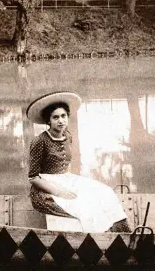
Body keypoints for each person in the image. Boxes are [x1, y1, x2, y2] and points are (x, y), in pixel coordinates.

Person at [27, 92, 131, 233]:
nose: (60, 121)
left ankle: (121, 235)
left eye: (63, 116)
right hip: (45, 188)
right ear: (48, 120)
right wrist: (60, 192)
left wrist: (74, 186)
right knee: (82, 205)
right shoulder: (39, 141)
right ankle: (97, 240)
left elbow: (65, 165)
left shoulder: (67, 136)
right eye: (55, 117)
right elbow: (33, 177)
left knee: (105, 193)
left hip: (66, 179)